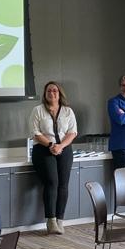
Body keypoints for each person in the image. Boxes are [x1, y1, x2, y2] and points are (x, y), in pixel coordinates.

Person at [30, 82, 77, 234]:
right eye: (49, 90)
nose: (52, 93)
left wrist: (61, 146)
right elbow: (35, 133)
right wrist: (51, 145)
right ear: (45, 94)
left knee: (63, 184)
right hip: (43, 149)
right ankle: (51, 221)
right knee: (52, 181)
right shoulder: (37, 110)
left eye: (55, 90)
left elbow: (72, 132)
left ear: (59, 93)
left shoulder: (68, 111)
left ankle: (60, 220)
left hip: (64, 149)